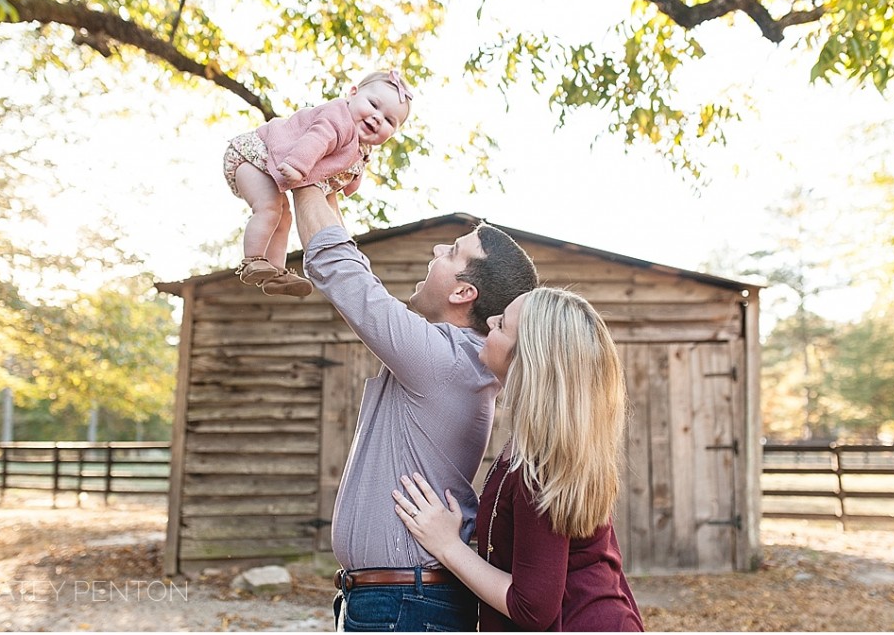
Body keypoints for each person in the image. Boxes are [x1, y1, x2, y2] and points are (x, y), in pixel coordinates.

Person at [289, 184, 540, 631]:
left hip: (407, 604)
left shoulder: (445, 361)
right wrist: (328, 189)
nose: (438, 247)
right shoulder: (453, 359)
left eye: (454, 251)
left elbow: (344, 274)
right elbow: (350, 268)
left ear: (464, 293)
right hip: (401, 599)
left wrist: (303, 174)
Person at [393, 287, 644, 632]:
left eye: (502, 325)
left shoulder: (542, 466)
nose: (491, 319)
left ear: (527, 359)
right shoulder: (535, 447)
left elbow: (532, 607)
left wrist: (448, 546)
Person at [223, 69, 413, 296]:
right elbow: (316, 140)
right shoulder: (337, 118)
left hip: (268, 167)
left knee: (284, 217)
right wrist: (297, 166)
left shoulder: (362, 145)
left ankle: (274, 273)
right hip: (252, 156)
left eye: (390, 121)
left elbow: (350, 167)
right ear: (353, 93)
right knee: (269, 207)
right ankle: (252, 261)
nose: (377, 117)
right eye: (373, 104)